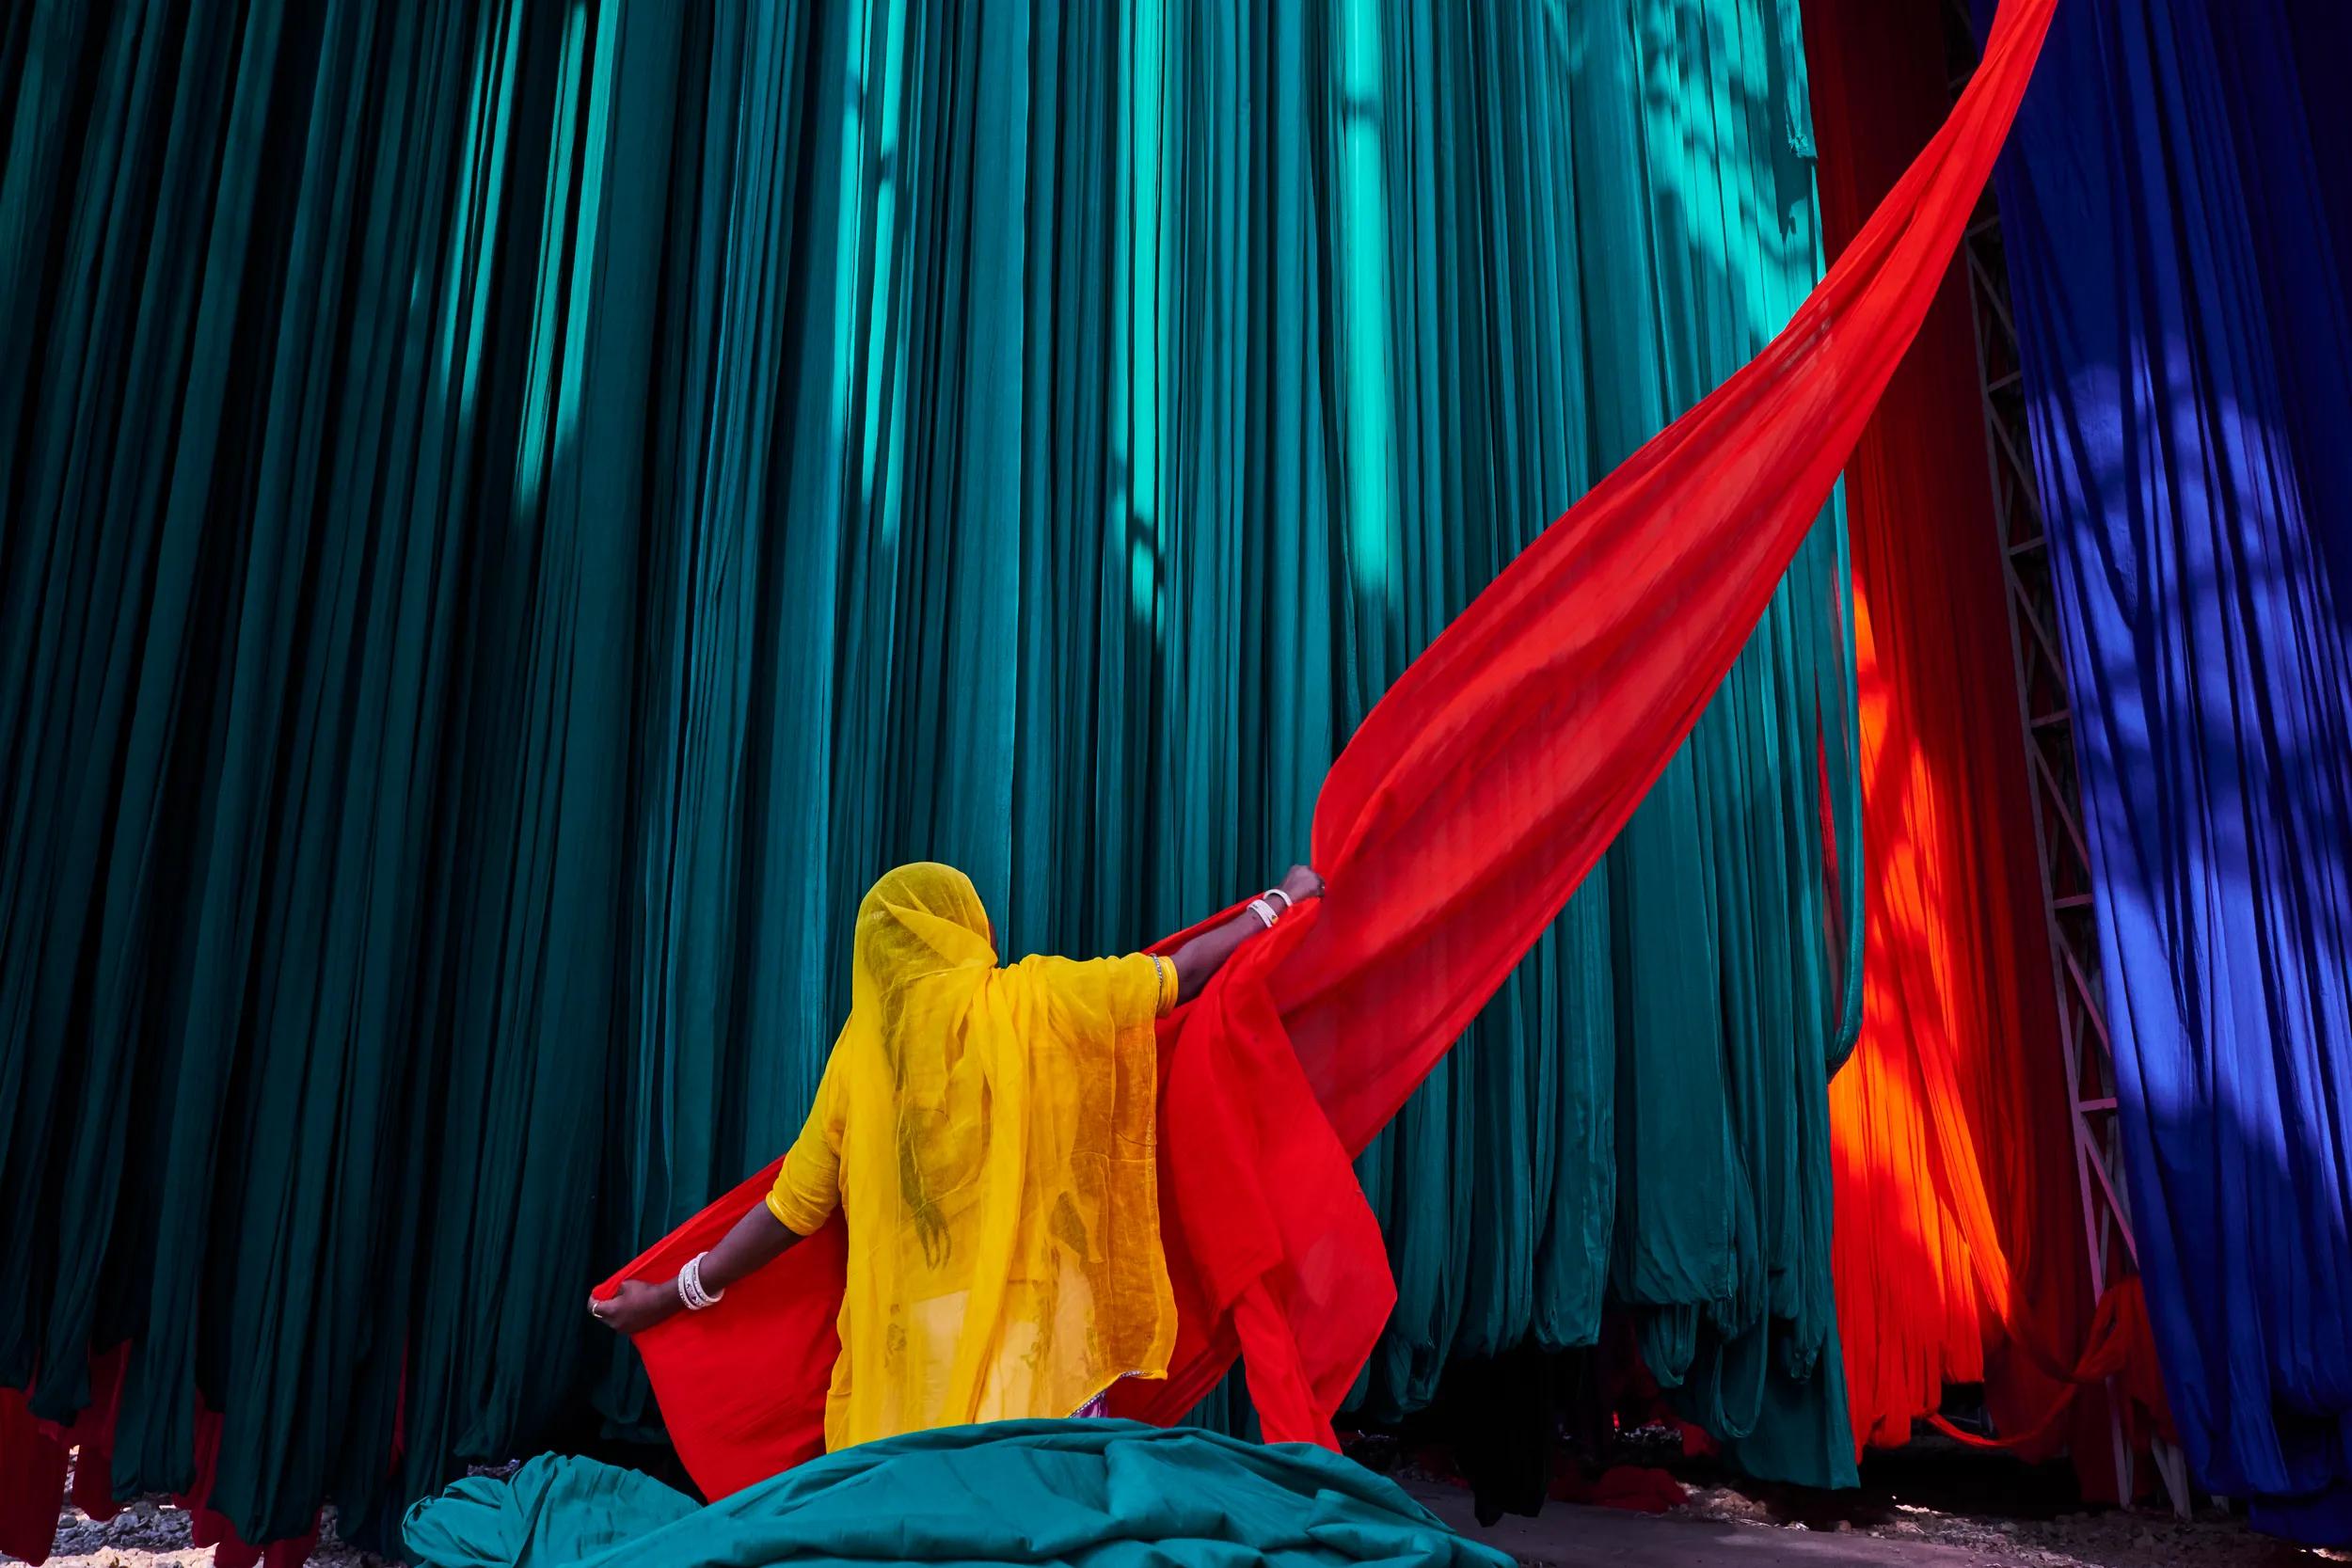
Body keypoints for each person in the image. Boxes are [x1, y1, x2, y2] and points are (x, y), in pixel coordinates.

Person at [590, 859, 1326, 1450]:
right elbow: (1179, 976)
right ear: (965, 928)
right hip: (1038, 1357)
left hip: (911, 1373)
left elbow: (790, 1211)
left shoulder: (861, 1062)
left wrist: (670, 1293)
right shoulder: (1035, 998)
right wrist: (1282, 902)